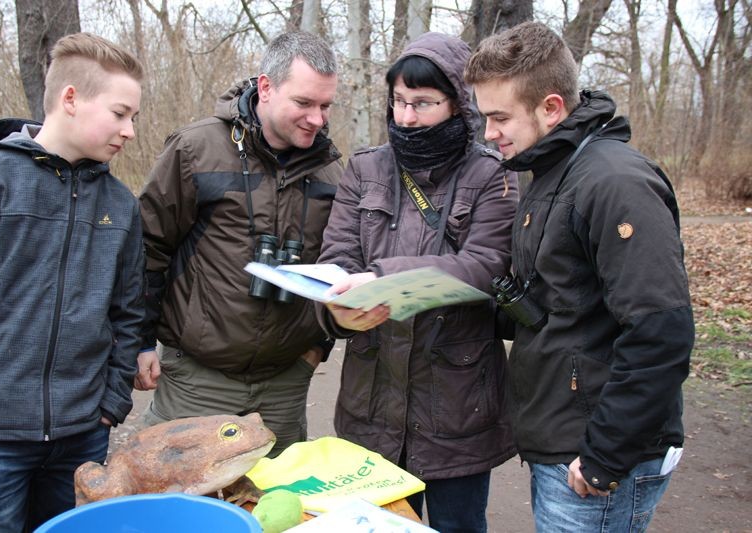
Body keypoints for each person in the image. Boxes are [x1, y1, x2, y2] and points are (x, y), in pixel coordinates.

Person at [464, 21, 694, 531]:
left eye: (500, 117)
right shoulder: (549, 173)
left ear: (551, 107)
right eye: (484, 117)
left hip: (595, 461)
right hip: (565, 442)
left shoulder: (614, 182)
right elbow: (558, 305)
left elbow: (662, 330)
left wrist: (605, 458)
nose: (489, 133)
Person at [316, 33, 518, 532]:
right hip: (371, 404)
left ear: (458, 104)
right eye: (399, 101)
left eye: (423, 103)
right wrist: (337, 308)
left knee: (458, 525)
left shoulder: (492, 174)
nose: (406, 117)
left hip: (456, 402)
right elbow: (337, 258)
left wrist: (383, 276)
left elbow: (487, 265)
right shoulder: (365, 169)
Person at [0, 33, 145, 530]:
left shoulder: (121, 205)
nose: (129, 131)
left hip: (81, 438)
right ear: (71, 99)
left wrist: (111, 404)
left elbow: (128, 314)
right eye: (120, 113)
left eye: (134, 118)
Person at [134, 32, 342, 458]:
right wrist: (138, 340)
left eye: (325, 106)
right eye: (304, 103)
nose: (317, 119)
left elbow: (338, 267)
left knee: (273, 511)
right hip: (198, 379)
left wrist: (317, 348)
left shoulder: (332, 174)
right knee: (184, 513)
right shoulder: (196, 148)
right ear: (265, 87)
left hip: (284, 383)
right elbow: (148, 246)